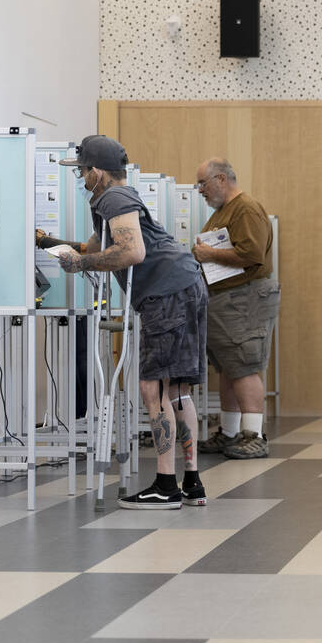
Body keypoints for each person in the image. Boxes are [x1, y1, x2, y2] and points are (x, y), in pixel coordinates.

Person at [44, 135, 208, 509]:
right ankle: (191, 481)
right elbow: (98, 247)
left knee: (155, 389)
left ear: (98, 172)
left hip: (166, 292)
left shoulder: (113, 199)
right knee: (176, 388)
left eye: (83, 171)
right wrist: (51, 243)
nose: (82, 178)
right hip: (184, 284)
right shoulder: (114, 199)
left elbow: (131, 251)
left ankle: (166, 485)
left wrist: (81, 265)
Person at [191, 158, 280, 460]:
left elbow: (251, 254)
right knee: (229, 368)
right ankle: (228, 434)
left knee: (244, 366)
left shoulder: (245, 208)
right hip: (226, 300)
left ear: (221, 179)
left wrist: (208, 253)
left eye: (203, 183)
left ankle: (254, 436)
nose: (199, 189)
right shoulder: (223, 211)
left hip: (244, 299)